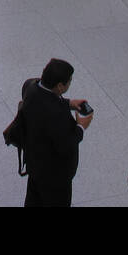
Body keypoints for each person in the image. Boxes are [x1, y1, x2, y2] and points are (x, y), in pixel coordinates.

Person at [18, 58, 92, 208]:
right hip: (55, 176)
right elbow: (65, 145)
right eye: (69, 81)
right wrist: (81, 127)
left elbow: (46, 98)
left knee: (33, 200)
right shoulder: (57, 115)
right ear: (59, 86)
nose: (70, 83)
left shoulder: (30, 87)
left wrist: (68, 103)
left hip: (34, 164)